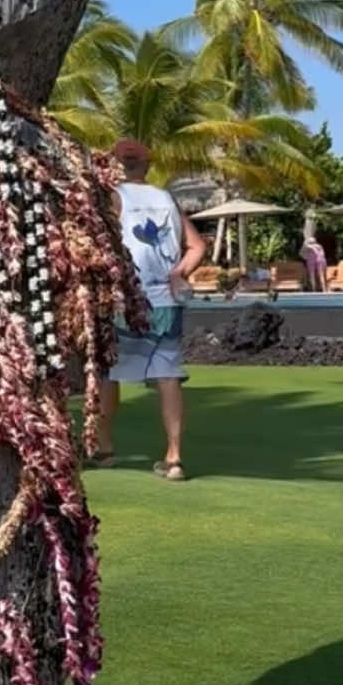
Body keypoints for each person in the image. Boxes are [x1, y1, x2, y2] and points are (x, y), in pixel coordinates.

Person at [97, 138, 207, 482]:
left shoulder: (111, 198)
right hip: (165, 300)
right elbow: (198, 246)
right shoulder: (166, 199)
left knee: (107, 372)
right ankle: (174, 457)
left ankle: (104, 448)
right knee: (168, 376)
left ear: (115, 165)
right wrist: (177, 273)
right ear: (147, 166)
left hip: (124, 299)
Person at [300, 213, 328, 292]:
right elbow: (323, 256)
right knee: (321, 274)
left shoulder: (308, 246)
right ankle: (324, 289)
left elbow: (302, 253)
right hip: (319, 260)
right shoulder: (319, 246)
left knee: (312, 275)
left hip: (312, 260)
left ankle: (314, 289)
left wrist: (306, 244)